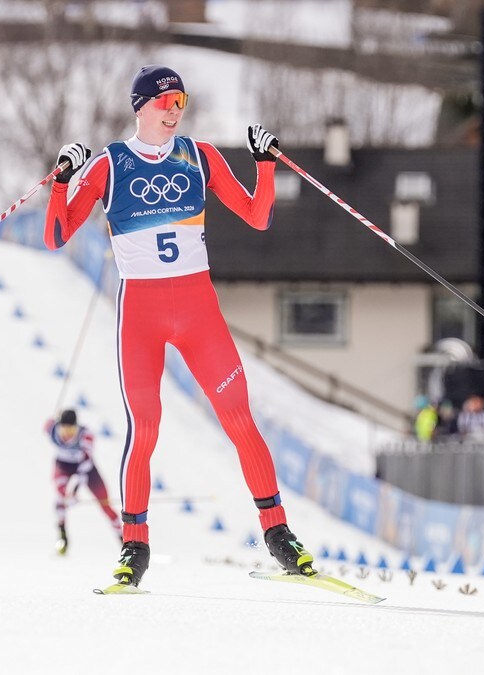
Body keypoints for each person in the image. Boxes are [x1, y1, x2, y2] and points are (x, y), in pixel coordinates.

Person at [44, 65, 313, 589]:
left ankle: (279, 534)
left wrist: (263, 163)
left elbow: (257, 217)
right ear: (140, 106)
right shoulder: (110, 165)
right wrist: (61, 180)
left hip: (198, 309)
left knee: (239, 418)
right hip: (141, 313)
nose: (173, 111)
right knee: (145, 429)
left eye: (181, 101)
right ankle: (135, 547)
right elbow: (56, 234)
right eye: (165, 101)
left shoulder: (200, 156)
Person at [45, 409, 122, 555]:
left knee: (105, 504)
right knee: (60, 496)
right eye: (64, 429)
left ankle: (124, 540)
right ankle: (63, 537)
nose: (67, 434)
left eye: (72, 430)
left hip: (86, 468)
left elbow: (84, 468)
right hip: (63, 466)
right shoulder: (52, 430)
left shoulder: (86, 436)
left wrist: (74, 492)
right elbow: (47, 424)